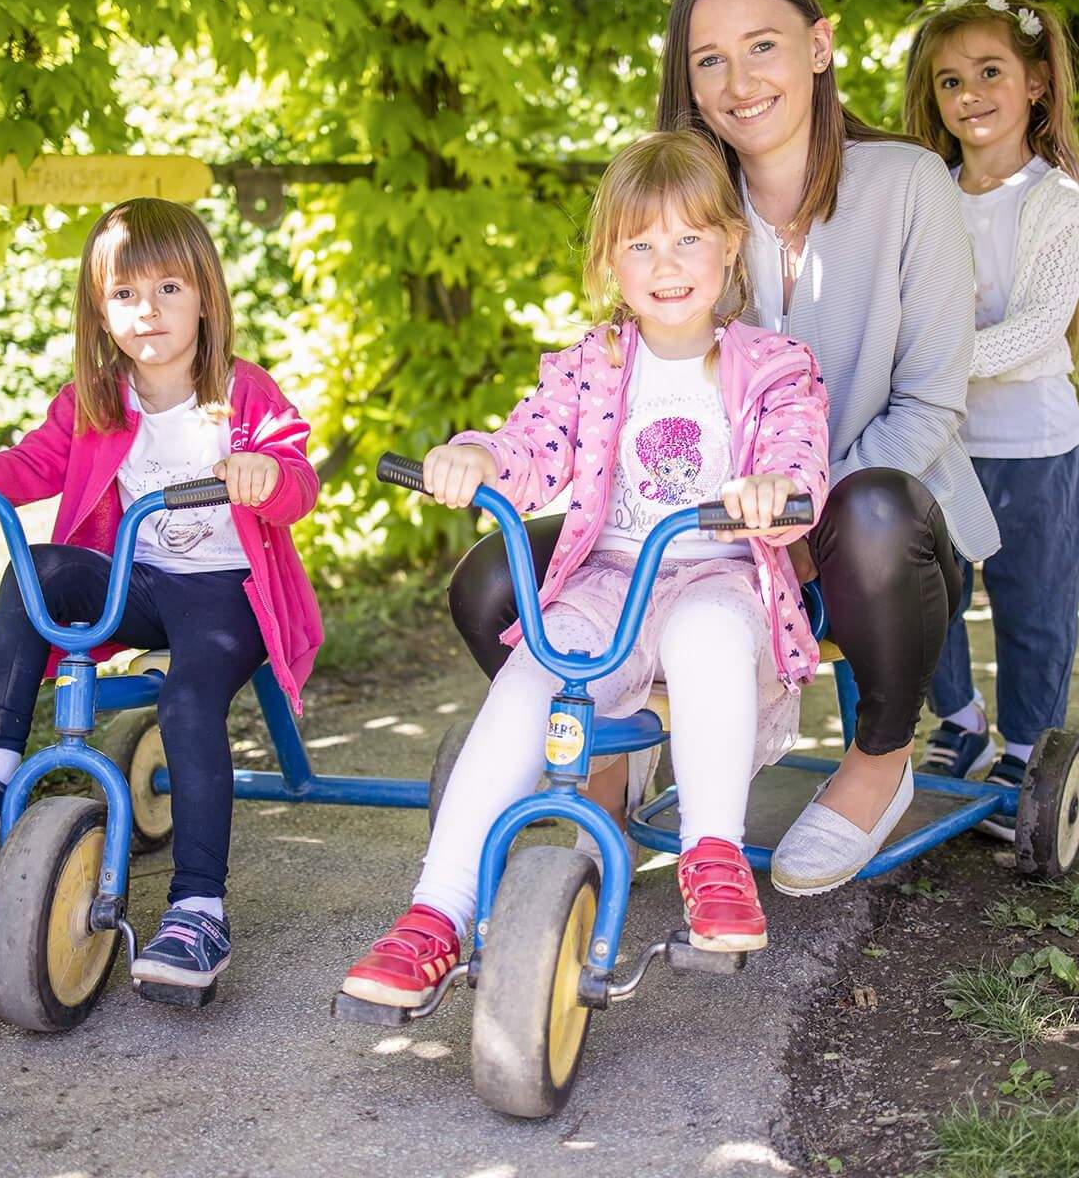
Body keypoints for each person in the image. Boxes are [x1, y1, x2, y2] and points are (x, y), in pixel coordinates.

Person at [449, 0, 999, 896]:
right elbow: (610, 383)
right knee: (497, 583)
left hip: (869, 532)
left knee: (870, 512)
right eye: (710, 59)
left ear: (819, 46)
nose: (740, 81)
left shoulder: (910, 186)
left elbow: (930, 401)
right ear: (687, 76)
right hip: (685, 537)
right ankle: (618, 748)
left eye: (764, 46)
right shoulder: (688, 203)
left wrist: (795, 520)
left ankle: (879, 762)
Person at [338, 132, 829, 1008]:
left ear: (729, 243)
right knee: (535, 673)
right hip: (609, 580)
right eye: (640, 244)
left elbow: (800, 455)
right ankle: (435, 913)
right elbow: (532, 440)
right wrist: (478, 458)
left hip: (718, 576)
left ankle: (711, 854)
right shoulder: (593, 365)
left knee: (710, 633)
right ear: (611, 260)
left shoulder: (774, 368)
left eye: (688, 239)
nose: (666, 263)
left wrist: (776, 485)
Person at [0, 197, 322, 1001]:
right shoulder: (93, 398)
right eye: (125, 294)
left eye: (169, 289)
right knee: (40, 566)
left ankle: (198, 905)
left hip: (228, 595)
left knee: (188, 704)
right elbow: (24, 467)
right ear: (100, 307)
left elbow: (297, 479)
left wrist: (266, 476)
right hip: (139, 583)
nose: (147, 311)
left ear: (205, 298)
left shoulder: (242, 394)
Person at [902, 0, 1079, 838]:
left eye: (990, 72)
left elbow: (1035, 328)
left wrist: (932, 363)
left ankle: (1026, 743)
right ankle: (960, 721)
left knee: (1031, 604)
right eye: (950, 80)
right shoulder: (925, 193)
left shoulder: (1055, 202)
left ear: (1039, 85)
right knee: (928, 592)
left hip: (1032, 446)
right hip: (938, 442)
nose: (969, 94)